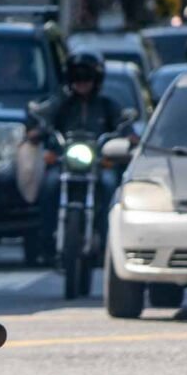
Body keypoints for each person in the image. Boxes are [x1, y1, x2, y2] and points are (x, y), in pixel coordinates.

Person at [31, 50, 130, 267]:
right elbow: (43, 120)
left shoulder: (107, 105)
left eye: (87, 78)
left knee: (110, 185)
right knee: (49, 185)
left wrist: (129, 135)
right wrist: (38, 131)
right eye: (77, 77)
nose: (82, 82)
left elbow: (124, 125)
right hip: (64, 163)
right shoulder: (61, 104)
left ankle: (109, 244)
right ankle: (45, 241)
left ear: (97, 80)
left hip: (98, 164)